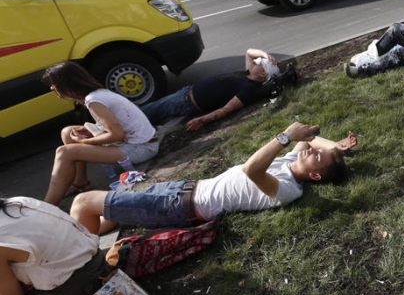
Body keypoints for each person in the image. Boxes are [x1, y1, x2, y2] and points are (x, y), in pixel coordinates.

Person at [70, 122, 357, 234]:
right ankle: (78, 242)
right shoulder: (293, 161)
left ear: (315, 175)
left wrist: (283, 137)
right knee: (109, 216)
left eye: (317, 156)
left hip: (178, 206)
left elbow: (251, 170)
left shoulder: (288, 190)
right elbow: (311, 137)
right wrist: (335, 148)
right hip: (182, 189)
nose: (310, 149)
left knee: (84, 202)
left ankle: (76, 257)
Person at [41, 62, 159, 206]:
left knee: (64, 152)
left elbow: (117, 134)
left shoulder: (94, 100)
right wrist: (94, 132)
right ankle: (81, 182)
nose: (52, 88)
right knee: (68, 132)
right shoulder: (98, 94)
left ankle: (47, 206)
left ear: (67, 83)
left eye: (53, 84)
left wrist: (85, 142)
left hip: (142, 148)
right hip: (137, 141)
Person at [140, 48, 297, 131]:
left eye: (258, 63)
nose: (254, 63)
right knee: (151, 111)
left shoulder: (249, 88)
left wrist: (202, 120)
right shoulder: (247, 74)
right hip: (187, 92)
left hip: (187, 101)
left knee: (147, 113)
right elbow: (249, 51)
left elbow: (227, 109)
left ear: (263, 74)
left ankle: (124, 127)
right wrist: (265, 54)